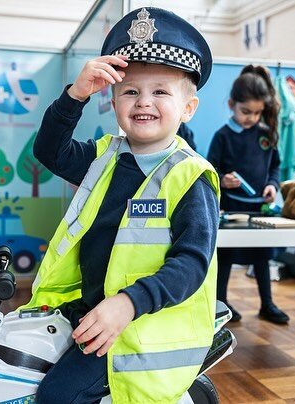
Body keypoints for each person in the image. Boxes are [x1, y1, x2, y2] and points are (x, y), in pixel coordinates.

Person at [24, 7, 220, 404]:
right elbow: (48, 150)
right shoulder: (103, 158)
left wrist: (129, 304)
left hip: (143, 326)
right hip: (93, 310)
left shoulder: (191, 176)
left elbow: (191, 264)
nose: (143, 102)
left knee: (54, 397)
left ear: (188, 108)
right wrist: (75, 94)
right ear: (112, 102)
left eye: (160, 91)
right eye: (130, 91)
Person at [207, 65, 289, 325]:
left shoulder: (266, 135)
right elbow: (209, 170)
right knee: (227, 257)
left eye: (256, 112)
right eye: (245, 112)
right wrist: (222, 180)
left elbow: (275, 166)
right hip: (230, 208)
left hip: (258, 210)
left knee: (261, 257)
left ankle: (267, 303)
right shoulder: (223, 136)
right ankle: (221, 304)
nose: (251, 118)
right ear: (232, 104)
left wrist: (273, 185)